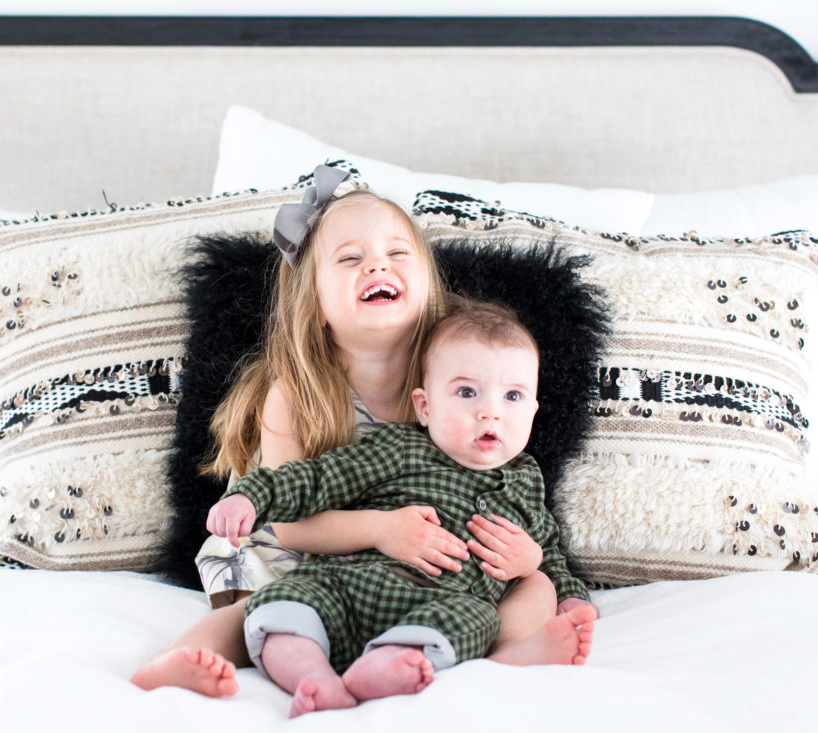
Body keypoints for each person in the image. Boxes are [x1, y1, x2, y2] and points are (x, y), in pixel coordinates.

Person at [130, 165, 595, 698]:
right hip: (294, 541)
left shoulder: (456, 378)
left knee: (529, 581)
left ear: (425, 282)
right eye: (350, 259)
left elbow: (512, 498)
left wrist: (536, 565)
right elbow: (290, 527)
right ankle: (184, 660)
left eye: (398, 254)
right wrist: (381, 531)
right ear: (317, 303)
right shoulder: (297, 392)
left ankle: (511, 654)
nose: (378, 263)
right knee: (258, 605)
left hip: (413, 562)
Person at [205, 298, 595, 716]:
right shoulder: (400, 448)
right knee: (286, 600)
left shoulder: (526, 479)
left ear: (534, 411)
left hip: (447, 600)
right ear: (424, 407)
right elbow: (318, 478)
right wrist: (252, 494)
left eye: (513, 396)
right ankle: (310, 676)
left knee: (476, 619)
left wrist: (567, 594)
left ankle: (387, 665)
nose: (491, 413)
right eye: (467, 392)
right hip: (356, 580)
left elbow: (549, 548)